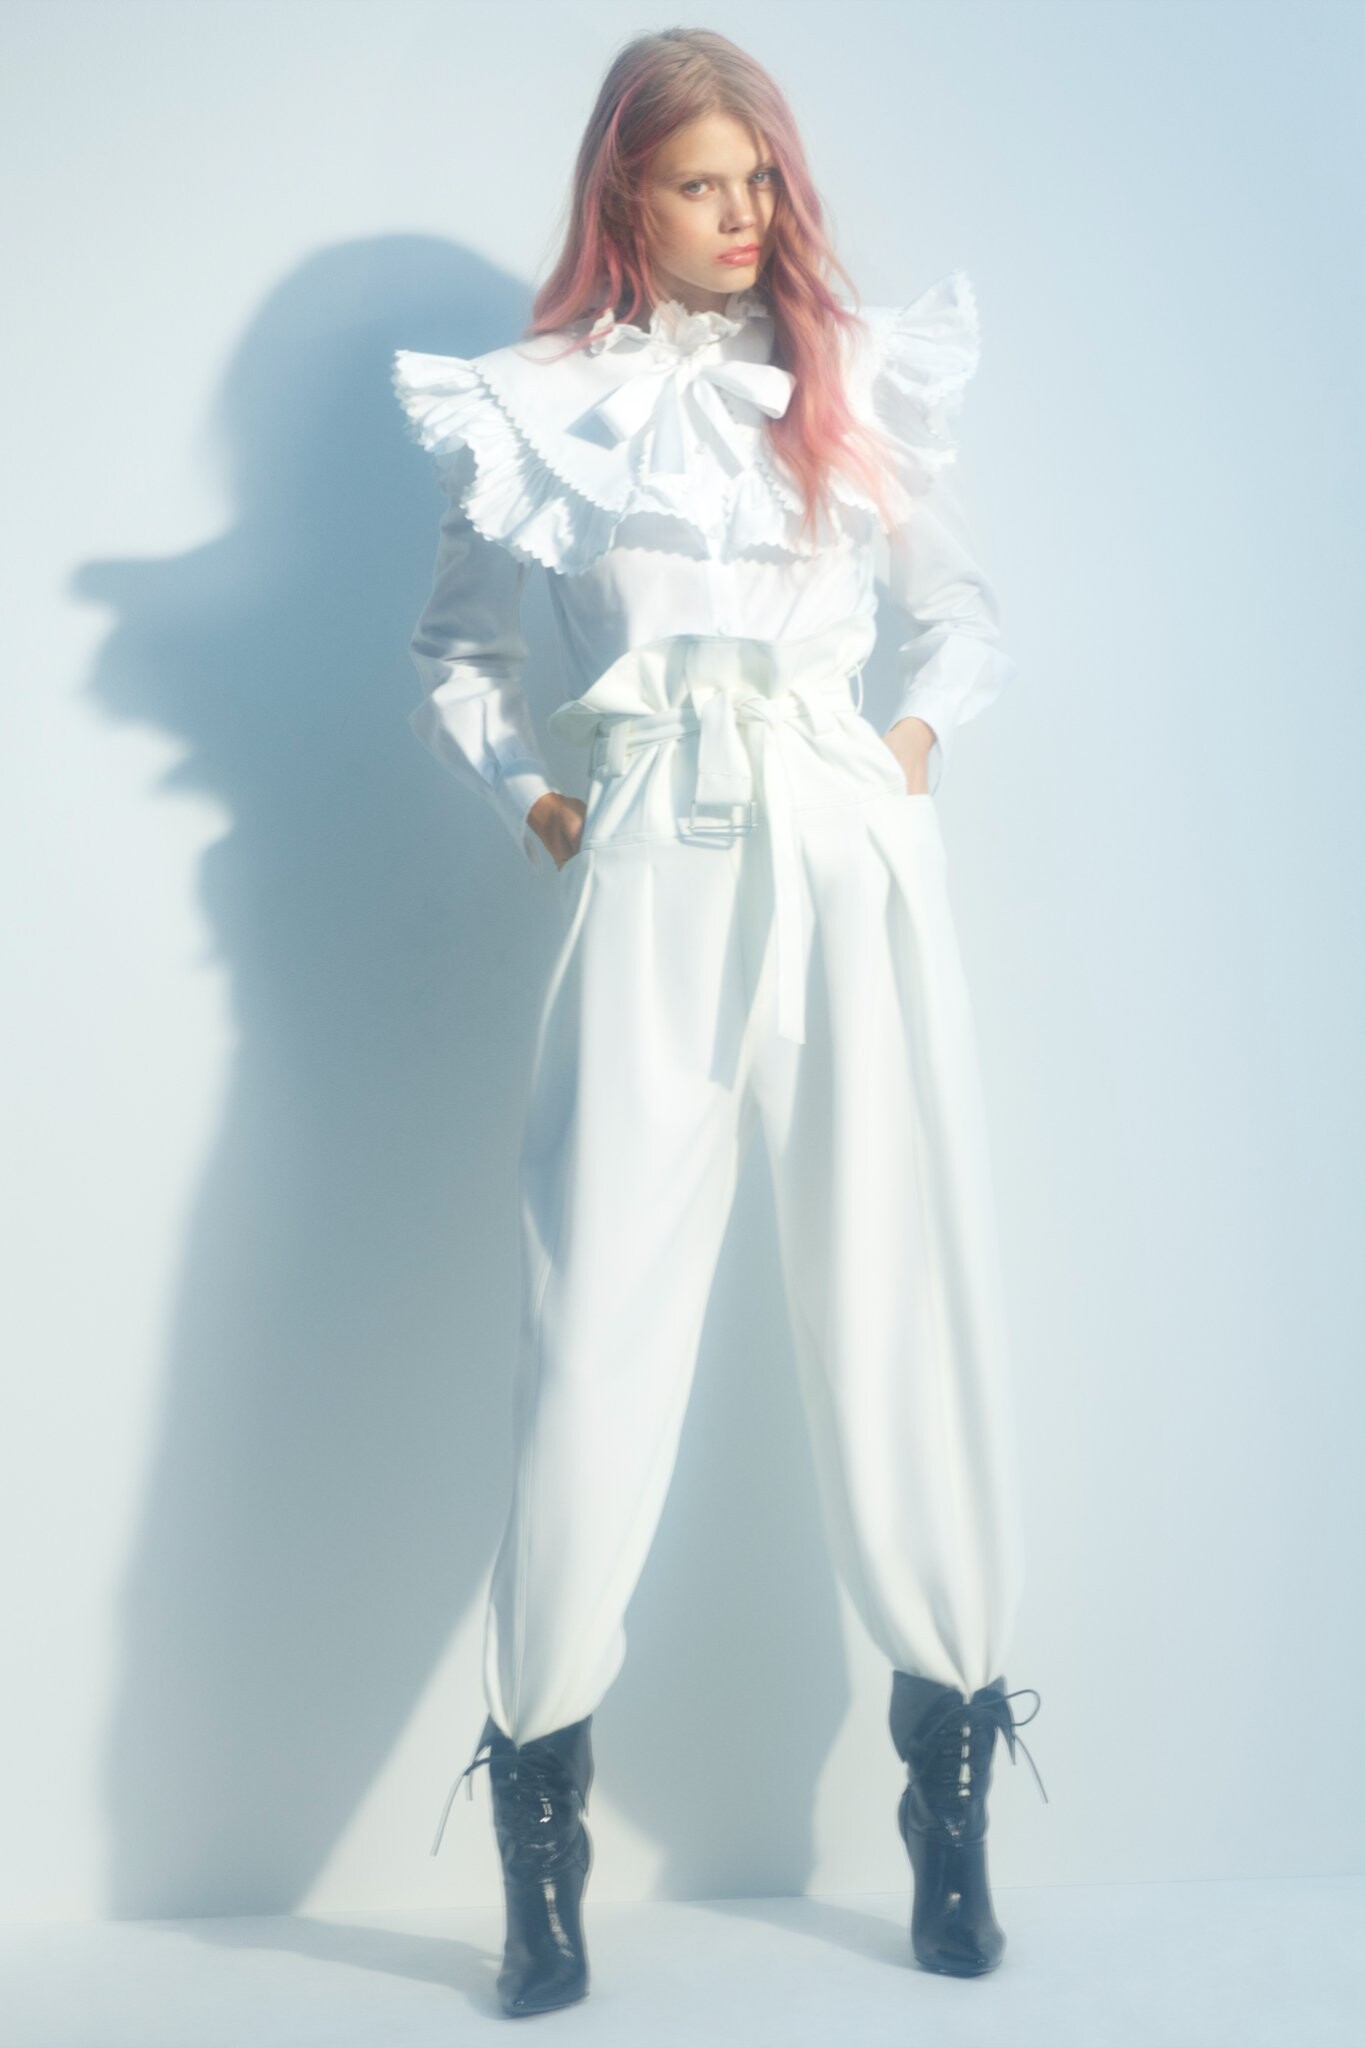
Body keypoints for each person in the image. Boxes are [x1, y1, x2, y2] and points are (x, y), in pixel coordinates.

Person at [391, 25, 1046, 2020]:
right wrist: (538, 804)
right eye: (700, 182)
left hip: (843, 855)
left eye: (758, 179)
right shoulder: (542, 408)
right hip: (653, 863)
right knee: (592, 1322)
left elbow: (963, 619)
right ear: (624, 192)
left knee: (893, 1298)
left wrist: (898, 761)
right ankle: (542, 1838)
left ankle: (946, 1787)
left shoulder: (848, 381)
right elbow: (457, 651)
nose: (742, 214)